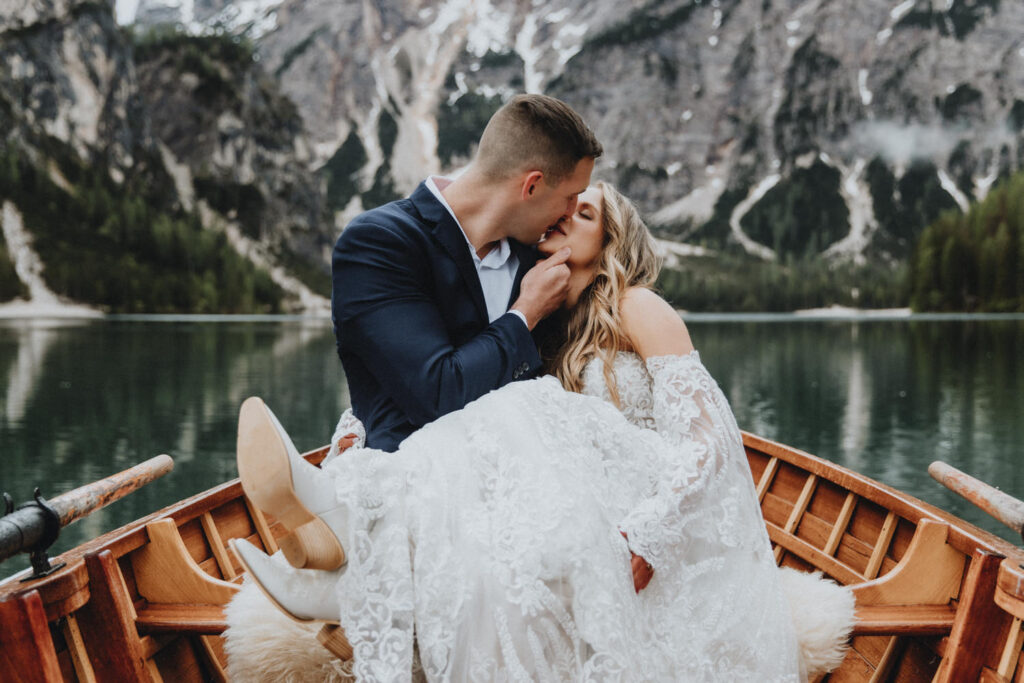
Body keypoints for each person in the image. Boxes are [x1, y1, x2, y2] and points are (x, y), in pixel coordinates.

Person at [230, 182, 854, 681]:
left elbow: (708, 439)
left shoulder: (638, 306)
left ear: (611, 240)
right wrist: (360, 430)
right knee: (486, 431)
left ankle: (338, 533)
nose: (561, 216)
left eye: (583, 213)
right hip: (571, 503)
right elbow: (454, 404)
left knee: (515, 416)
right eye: (560, 206)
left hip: (641, 508)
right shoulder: (532, 323)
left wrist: (653, 529)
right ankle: (336, 541)